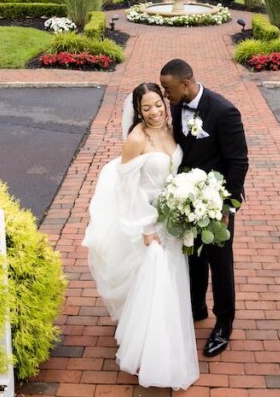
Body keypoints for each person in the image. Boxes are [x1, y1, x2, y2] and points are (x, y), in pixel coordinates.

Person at [82, 82, 199, 390]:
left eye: (158, 105)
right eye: (146, 108)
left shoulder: (172, 129)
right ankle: (151, 353)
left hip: (172, 218)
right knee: (156, 281)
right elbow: (127, 190)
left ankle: (169, 336)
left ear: (164, 102)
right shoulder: (136, 139)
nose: (154, 112)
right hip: (147, 221)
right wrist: (146, 229)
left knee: (173, 279)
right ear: (138, 110)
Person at [159, 59, 249, 358]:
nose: (165, 94)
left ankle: (224, 323)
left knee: (220, 263)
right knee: (192, 255)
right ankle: (196, 307)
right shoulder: (175, 106)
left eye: (168, 89)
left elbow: (238, 162)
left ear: (185, 84)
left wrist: (226, 205)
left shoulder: (224, 111)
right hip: (186, 199)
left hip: (215, 202)